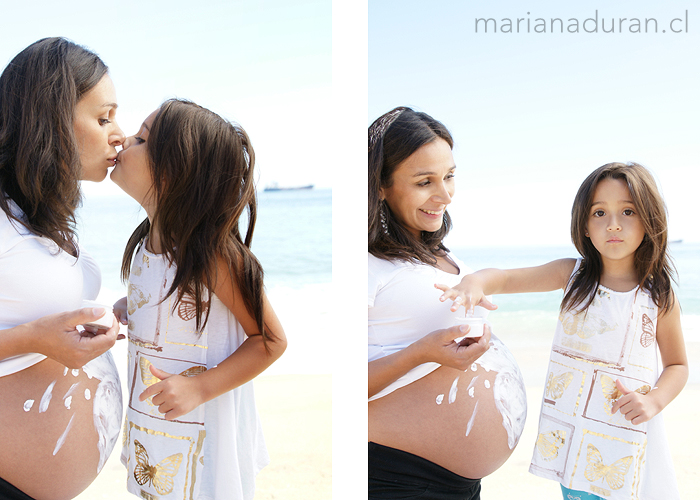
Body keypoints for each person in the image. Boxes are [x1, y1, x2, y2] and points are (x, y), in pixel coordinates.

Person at [438, 162, 687, 500]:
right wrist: (476, 281)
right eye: (599, 213)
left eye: (628, 211)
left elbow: (678, 366)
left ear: (648, 219)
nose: (613, 224)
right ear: (584, 224)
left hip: (626, 434)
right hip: (573, 435)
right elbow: (508, 278)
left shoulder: (656, 294)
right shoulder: (571, 275)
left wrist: (655, 399)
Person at [110, 99, 287, 499]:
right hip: (158, 425)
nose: (123, 140)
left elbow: (271, 341)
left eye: (141, 139)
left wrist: (200, 388)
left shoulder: (212, 252)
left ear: (173, 171)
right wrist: (132, 307)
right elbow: (168, 298)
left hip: (203, 428)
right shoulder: (148, 243)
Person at [368, 107, 527, 500]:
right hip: (396, 477)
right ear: (381, 186)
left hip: (457, 484)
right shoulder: (368, 264)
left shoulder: (441, 255)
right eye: (425, 181)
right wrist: (421, 354)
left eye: (450, 176)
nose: (445, 195)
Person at [0, 37, 126, 500]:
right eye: (103, 117)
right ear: (49, 118)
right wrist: (33, 339)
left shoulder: (37, 215)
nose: (119, 134)